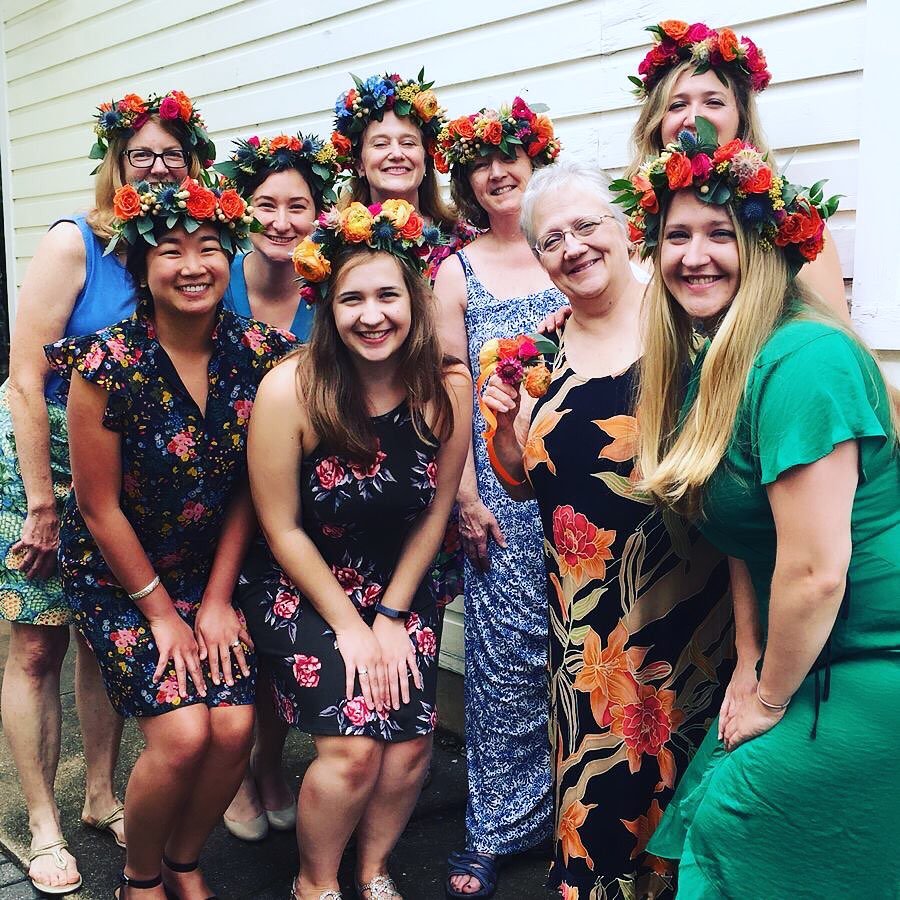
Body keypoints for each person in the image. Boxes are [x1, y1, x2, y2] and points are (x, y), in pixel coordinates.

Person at [614, 125, 899, 896]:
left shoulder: (804, 358)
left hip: (874, 655)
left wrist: (770, 694)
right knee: (706, 831)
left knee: (741, 820)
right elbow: (741, 533)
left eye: (720, 233)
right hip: (800, 651)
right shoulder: (710, 361)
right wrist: (748, 658)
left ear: (767, 246)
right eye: (676, 235)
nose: (694, 254)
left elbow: (814, 572)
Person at [481, 159, 733, 900]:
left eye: (587, 225)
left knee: (687, 825)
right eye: (552, 238)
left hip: (689, 630)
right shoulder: (541, 352)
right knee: (597, 822)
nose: (573, 246)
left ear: (626, 233)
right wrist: (502, 430)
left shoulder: (687, 326)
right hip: (586, 641)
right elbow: (526, 482)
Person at [45, 176, 294, 900]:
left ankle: (186, 861)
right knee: (184, 735)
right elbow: (96, 507)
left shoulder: (262, 356)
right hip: (122, 577)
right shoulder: (104, 364)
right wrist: (160, 614)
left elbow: (256, 484)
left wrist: (216, 602)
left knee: (234, 726)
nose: (193, 265)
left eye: (210, 247)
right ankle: (140, 876)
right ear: (140, 267)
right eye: (172, 250)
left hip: (210, 570)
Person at [0, 89, 212, 895]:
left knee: (101, 635)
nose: (157, 167)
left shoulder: (178, 246)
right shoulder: (76, 242)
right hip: (43, 453)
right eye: (140, 154)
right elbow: (25, 377)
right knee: (37, 640)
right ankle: (44, 822)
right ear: (115, 163)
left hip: (125, 466)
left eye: (172, 154)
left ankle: (99, 794)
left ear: (193, 164)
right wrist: (41, 499)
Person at [244, 200, 471, 900]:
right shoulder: (291, 389)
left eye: (387, 296)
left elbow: (435, 515)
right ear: (328, 308)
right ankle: (315, 883)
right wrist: (350, 625)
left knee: (406, 749)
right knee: (352, 749)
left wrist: (392, 617)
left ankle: (372, 870)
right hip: (304, 583)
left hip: (400, 586)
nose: (371, 315)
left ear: (414, 298)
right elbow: (279, 527)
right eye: (351, 300)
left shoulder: (447, 390)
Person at [432, 98, 566, 899]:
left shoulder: (569, 243)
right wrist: (468, 497)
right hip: (501, 494)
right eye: (482, 160)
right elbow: (450, 386)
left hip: (583, 478)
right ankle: (496, 826)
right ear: (467, 179)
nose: (497, 169)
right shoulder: (458, 268)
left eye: (512, 153)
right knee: (507, 663)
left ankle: (575, 819)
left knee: (582, 654)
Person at [213, 130, 342, 841]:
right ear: (242, 207)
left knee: (273, 649)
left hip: (293, 495)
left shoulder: (324, 296)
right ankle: (235, 775)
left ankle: (268, 766)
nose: (282, 222)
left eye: (299, 206)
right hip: (211, 491)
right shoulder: (215, 275)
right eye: (267, 204)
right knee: (230, 642)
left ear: (321, 215)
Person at [628, 19, 848, 317]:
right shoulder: (635, 226)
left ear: (741, 119)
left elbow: (829, 335)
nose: (693, 118)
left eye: (713, 103)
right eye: (677, 105)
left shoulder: (790, 223)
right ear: (657, 123)